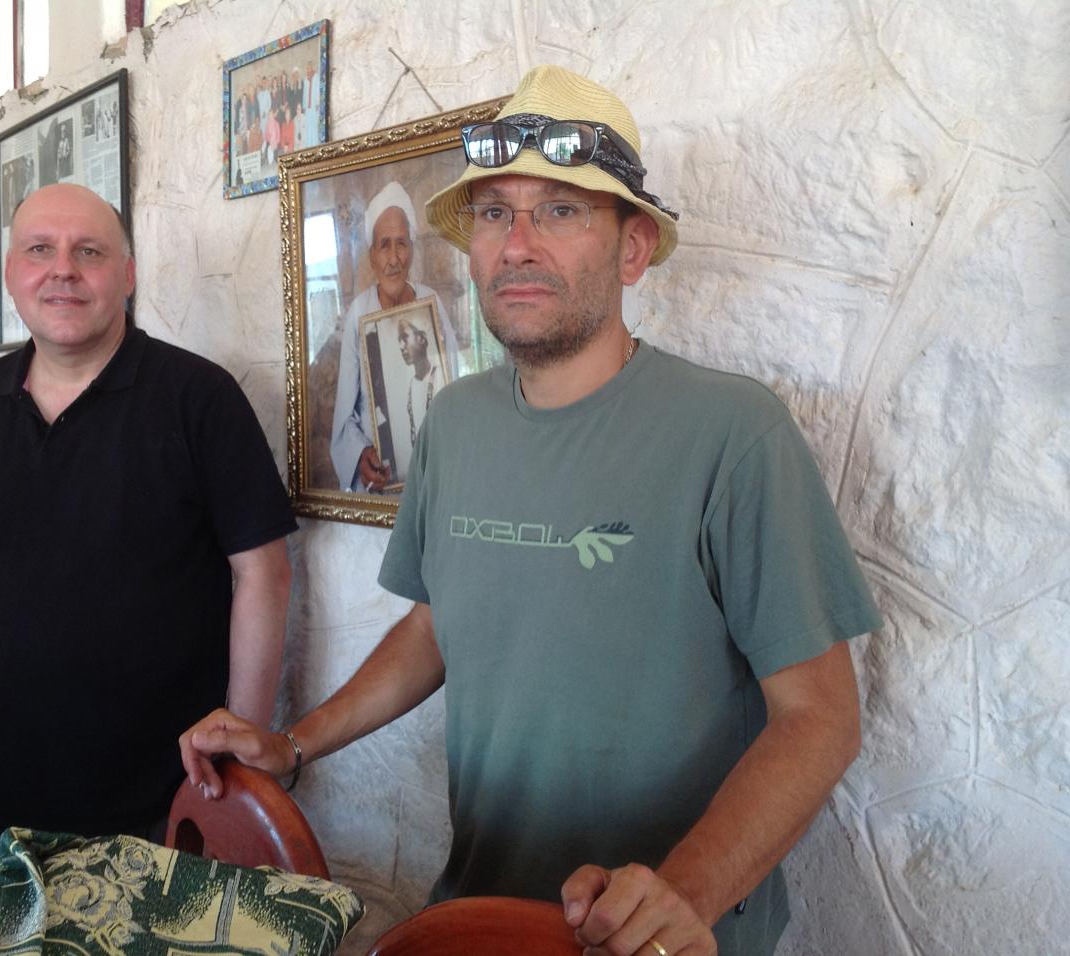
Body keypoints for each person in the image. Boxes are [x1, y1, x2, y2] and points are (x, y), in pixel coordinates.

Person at [182, 65, 882, 956]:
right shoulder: (456, 422)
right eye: (494, 213)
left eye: (560, 210)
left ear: (631, 249)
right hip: (477, 914)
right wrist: (295, 743)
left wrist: (681, 899)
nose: (518, 244)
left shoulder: (735, 433)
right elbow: (436, 626)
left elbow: (821, 716)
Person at [0, 183, 296, 848]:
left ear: (126, 274)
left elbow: (265, 574)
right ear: (11, 272)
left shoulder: (198, 398)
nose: (63, 269)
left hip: (151, 807)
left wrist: (236, 751)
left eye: (88, 250)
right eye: (40, 249)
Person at [329, 181, 457, 492]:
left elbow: (452, 388)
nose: (394, 257)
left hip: (431, 472)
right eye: (384, 244)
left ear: (412, 249)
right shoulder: (359, 313)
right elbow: (345, 413)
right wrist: (361, 454)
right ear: (372, 256)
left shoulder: (431, 305)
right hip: (379, 481)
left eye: (401, 243)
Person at [392, 315, 440, 478]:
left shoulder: (441, 376)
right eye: (399, 340)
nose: (401, 346)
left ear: (421, 339)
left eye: (405, 338)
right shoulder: (410, 385)